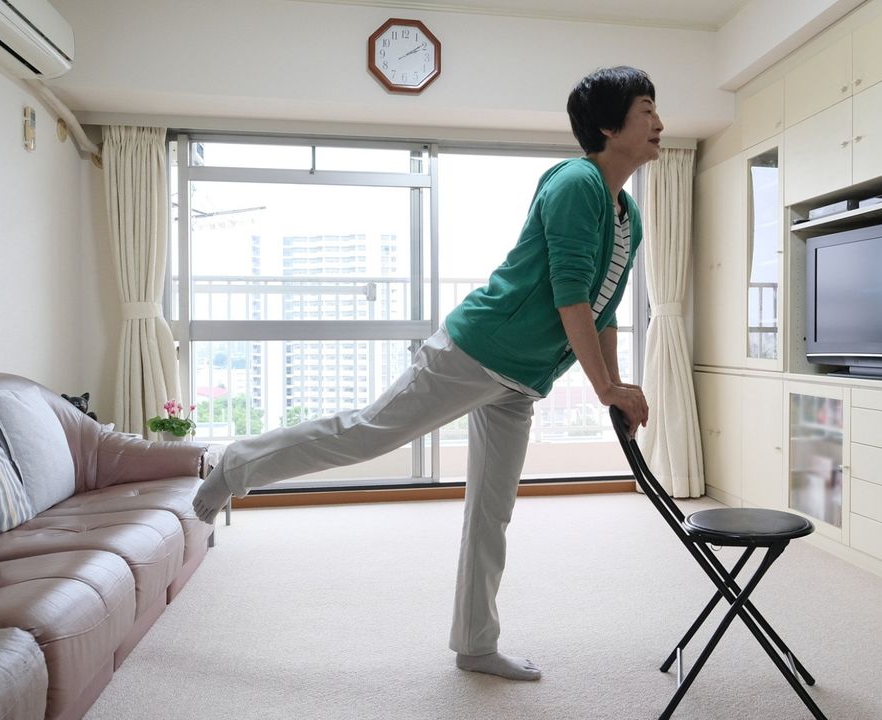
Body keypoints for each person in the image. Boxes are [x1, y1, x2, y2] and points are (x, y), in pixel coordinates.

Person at [192, 65, 662, 681]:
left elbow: (605, 310)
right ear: (608, 124)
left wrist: (617, 388)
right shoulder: (577, 182)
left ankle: (475, 642)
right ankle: (234, 464)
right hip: (475, 351)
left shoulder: (627, 212)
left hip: (519, 380)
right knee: (366, 433)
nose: (659, 122)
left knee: (491, 509)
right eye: (646, 108)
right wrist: (605, 387)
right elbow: (568, 294)